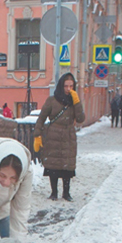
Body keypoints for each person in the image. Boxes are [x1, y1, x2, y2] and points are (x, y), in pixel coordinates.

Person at [33, 72, 85, 201]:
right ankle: (54, 192)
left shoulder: (74, 101)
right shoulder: (52, 100)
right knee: (53, 165)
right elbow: (41, 118)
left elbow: (80, 119)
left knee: (67, 166)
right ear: (61, 86)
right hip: (53, 135)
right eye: (66, 86)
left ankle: (66, 193)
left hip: (68, 135)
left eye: (71, 86)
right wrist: (37, 135)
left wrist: (77, 102)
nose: (68, 89)